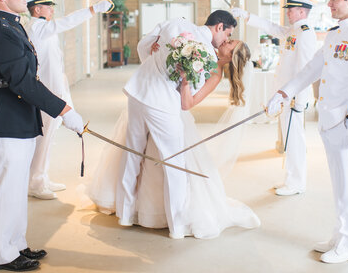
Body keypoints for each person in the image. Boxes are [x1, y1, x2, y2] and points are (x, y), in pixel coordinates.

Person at [86, 37, 260, 238]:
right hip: (155, 102)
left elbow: (187, 104)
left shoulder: (215, 75)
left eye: (230, 43)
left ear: (231, 55)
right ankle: (131, 208)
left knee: (167, 166)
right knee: (139, 156)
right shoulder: (201, 50)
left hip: (172, 116)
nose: (225, 40)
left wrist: (185, 81)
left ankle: (165, 217)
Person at [267, 0, 348, 264]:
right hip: (329, 120)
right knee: (339, 183)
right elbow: (311, 70)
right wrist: (284, 91)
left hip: (346, 123)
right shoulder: (333, 34)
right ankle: (341, 233)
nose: (329, 3)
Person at [0, 0, 84, 272]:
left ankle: (16, 244)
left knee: (17, 186)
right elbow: (22, 81)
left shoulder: (13, 26)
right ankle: (2, 254)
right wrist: (64, 109)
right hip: (5, 118)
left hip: (18, 116)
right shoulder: (0, 32)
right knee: (6, 189)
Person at [116, 10, 237, 239]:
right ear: (219, 26)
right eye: (227, 34)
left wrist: (155, 67)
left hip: (137, 90)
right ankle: (177, 227)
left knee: (132, 152)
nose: (224, 40)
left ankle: (124, 213)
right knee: (175, 163)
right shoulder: (206, 55)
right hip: (162, 104)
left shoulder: (174, 22)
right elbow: (189, 92)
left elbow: (144, 46)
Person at [25, 0, 113, 200]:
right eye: (48, 6)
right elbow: (67, 22)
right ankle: (35, 183)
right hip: (45, 95)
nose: (52, 10)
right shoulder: (37, 27)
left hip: (55, 92)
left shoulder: (45, 29)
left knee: (49, 138)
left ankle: (42, 177)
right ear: (37, 9)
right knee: (43, 139)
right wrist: (93, 9)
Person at [232, 0, 317, 196]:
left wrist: (299, 99)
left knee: (295, 139)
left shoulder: (305, 32)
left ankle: (297, 183)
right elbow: (271, 27)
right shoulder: (294, 30)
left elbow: (306, 69)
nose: (288, 12)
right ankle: (291, 178)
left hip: (293, 97)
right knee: (289, 138)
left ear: (302, 11)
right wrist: (246, 15)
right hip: (286, 97)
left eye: (291, 9)